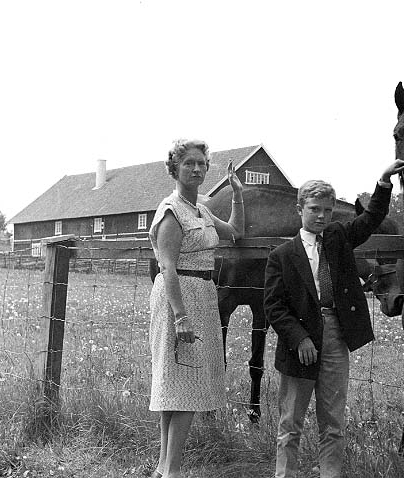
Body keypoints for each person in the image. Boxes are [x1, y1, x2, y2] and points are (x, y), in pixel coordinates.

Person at [263, 160, 404, 478]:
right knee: (290, 423)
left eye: (327, 210)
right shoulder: (282, 256)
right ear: (300, 208)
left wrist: (383, 181)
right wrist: (299, 338)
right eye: (314, 209)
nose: (321, 216)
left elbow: (371, 219)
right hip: (298, 342)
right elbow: (274, 307)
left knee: (333, 421)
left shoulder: (339, 238)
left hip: (336, 336)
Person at [148, 138, 244, 478]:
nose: (197, 169)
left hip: (203, 296)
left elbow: (234, 232)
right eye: (189, 163)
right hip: (180, 297)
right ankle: (173, 470)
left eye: (202, 163)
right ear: (175, 168)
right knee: (183, 385)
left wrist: (237, 193)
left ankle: (163, 468)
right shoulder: (172, 211)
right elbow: (168, 268)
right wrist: (181, 316)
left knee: (178, 384)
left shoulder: (200, 209)